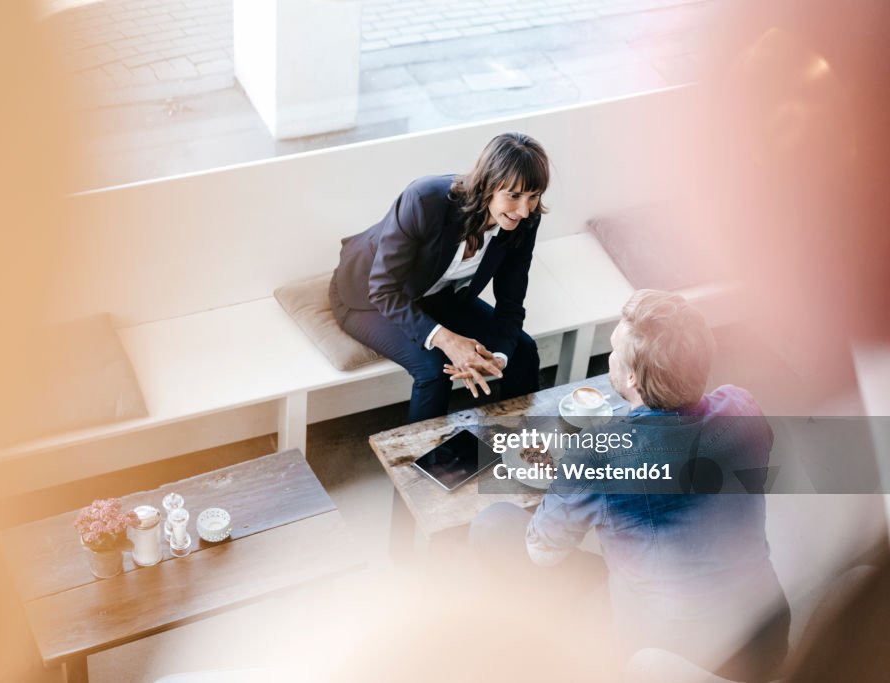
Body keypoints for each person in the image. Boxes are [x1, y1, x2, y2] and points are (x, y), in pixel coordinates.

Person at [470, 290, 790, 682]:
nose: (610, 358)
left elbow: (543, 553)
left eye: (615, 350)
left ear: (632, 376)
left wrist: (572, 485)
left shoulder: (597, 457)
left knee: (494, 524)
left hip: (673, 658)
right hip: (768, 641)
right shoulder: (743, 406)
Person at [330, 133, 548, 423]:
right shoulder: (424, 199)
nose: (524, 210)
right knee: (434, 369)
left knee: (522, 349)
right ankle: (424, 463)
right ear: (487, 184)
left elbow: (511, 301)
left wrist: (499, 357)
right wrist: (448, 340)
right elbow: (383, 290)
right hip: (367, 297)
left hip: (438, 295)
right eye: (514, 195)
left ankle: (521, 447)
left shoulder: (525, 221)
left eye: (533, 197)